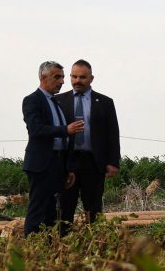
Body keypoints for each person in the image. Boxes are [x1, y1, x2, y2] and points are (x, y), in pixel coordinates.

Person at [55, 59, 121, 228]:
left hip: (93, 161)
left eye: (82, 77)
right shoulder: (59, 101)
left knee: (93, 207)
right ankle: (61, 244)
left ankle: (95, 244)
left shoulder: (105, 102)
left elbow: (112, 133)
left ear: (91, 78)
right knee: (64, 208)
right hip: (67, 161)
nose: (77, 81)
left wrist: (113, 162)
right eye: (74, 76)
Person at [21, 61, 84, 236]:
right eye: (57, 77)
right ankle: (31, 250)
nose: (62, 81)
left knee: (53, 211)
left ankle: (49, 251)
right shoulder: (32, 100)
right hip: (41, 164)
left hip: (58, 164)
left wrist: (68, 168)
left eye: (63, 77)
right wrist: (66, 129)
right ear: (43, 77)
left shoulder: (56, 103)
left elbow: (64, 141)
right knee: (38, 208)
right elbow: (36, 129)